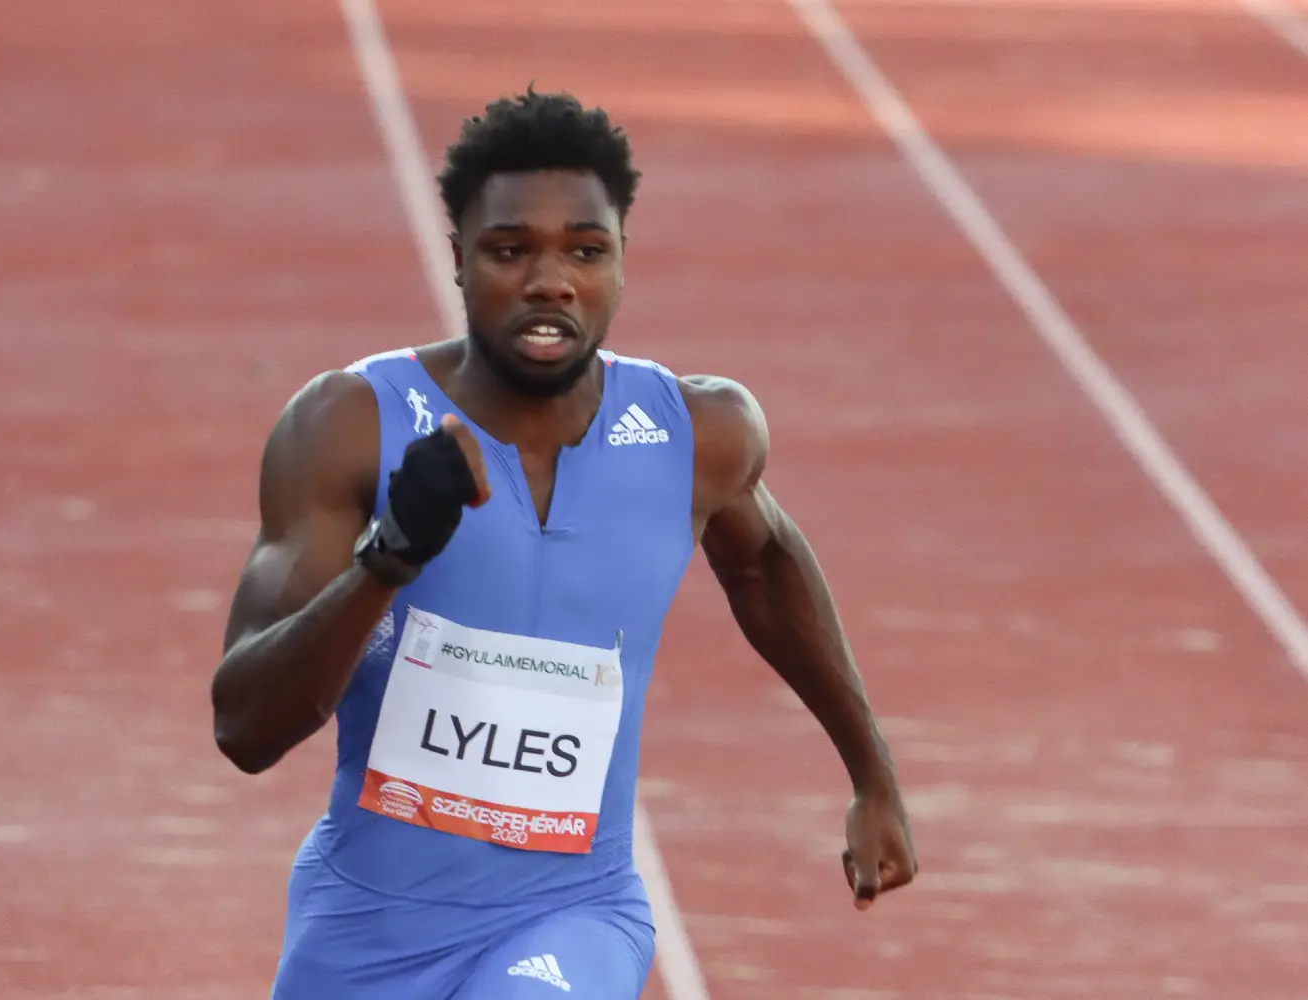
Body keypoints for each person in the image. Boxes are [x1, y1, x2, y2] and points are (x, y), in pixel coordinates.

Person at [211, 87, 917, 999]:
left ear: (622, 262)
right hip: (366, 925)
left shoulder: (696, 433)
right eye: (511, 250)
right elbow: (246, 727)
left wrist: (872, 773)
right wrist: (386, 559)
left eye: (586, 251)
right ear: (458, 259)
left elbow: (764, 562)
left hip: (573, 914)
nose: (551, 280)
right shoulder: (349, 426)